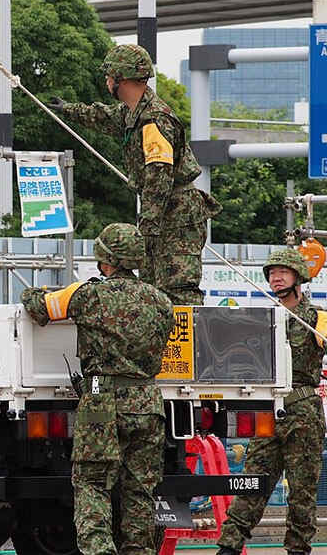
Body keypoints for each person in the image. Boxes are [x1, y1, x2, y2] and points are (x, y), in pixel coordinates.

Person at [21, 223, 173, 555]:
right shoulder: (161, 300)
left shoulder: (90, 295)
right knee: (140, 491)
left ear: (106, 260)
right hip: (148, 400)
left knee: (92, 484)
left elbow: (40, 307)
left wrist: (31, 293)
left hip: (103, 400)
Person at [48, 44, 221, 305]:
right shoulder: (134, 112)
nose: (106, 81)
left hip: (177, 214)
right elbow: (103, 116)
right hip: (164, 211)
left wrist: (147, 228)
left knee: (176, 289)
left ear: (122, 78)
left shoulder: (153, 120)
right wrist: (68, 109)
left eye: (110, 76)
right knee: (152, 288)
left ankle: (187, 345)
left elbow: (158, 176)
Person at [215, 248, 327, 555]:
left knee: (302, 490)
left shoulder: (316, 318)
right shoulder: (265, 318)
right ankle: (229, 546)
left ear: (297, 277)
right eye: (271, 274)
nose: (276, 279)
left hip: (303, 412)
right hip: (267, 412)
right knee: (253, 482)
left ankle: (298, 549)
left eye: (282, 273)